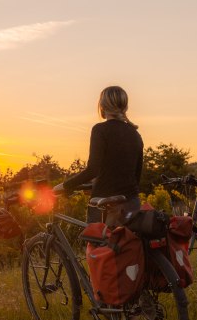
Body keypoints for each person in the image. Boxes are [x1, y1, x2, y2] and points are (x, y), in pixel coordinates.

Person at [54, 86, 144, 224]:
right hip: (132, 204)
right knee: (126, 244)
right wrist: (97, 185)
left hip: (105, 205)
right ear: (125, 106)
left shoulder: (100, 130)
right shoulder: (135, 134)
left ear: (102, 106)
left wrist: (65, 186)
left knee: (96, 245)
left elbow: (93, 169)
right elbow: (135, 176)